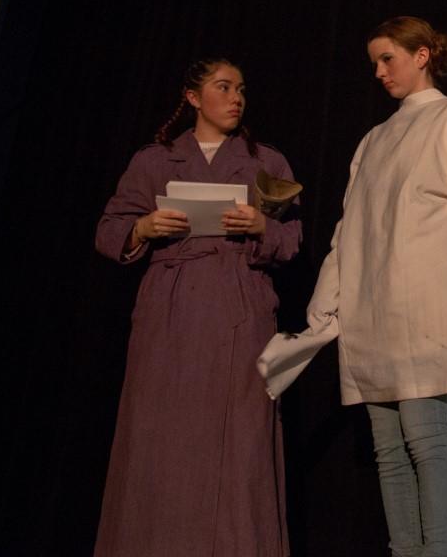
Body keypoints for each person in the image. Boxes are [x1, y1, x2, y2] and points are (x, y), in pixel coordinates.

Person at [260, 16, 447, 557]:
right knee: (388, 450)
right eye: (374, 63)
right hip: (371, 311)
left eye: (388, 59)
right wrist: (326, 305)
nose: (379, 72)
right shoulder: (374, 139)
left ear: (422, 55)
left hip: (428, 304)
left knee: (426, 436)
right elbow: (349, 230)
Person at [94, 57, 302, 557]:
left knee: (240, 438)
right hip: (170, 309)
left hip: (239, 306)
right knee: (160, 433)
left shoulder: (265, 161)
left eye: (241, 89)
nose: (236, 98)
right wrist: (143, 228)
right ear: (192, 97)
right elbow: (108, 230)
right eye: (223, 87)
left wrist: (260, 227)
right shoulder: (155, 161)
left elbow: (292, 240)